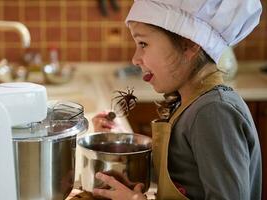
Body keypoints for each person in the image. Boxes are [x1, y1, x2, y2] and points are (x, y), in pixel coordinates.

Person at [91, 0, 263, 199]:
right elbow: (179, 176)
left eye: (143, 44)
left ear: (189, 44)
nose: (135, 59)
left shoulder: (213, 111)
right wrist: (122, 143)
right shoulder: (189, 103)